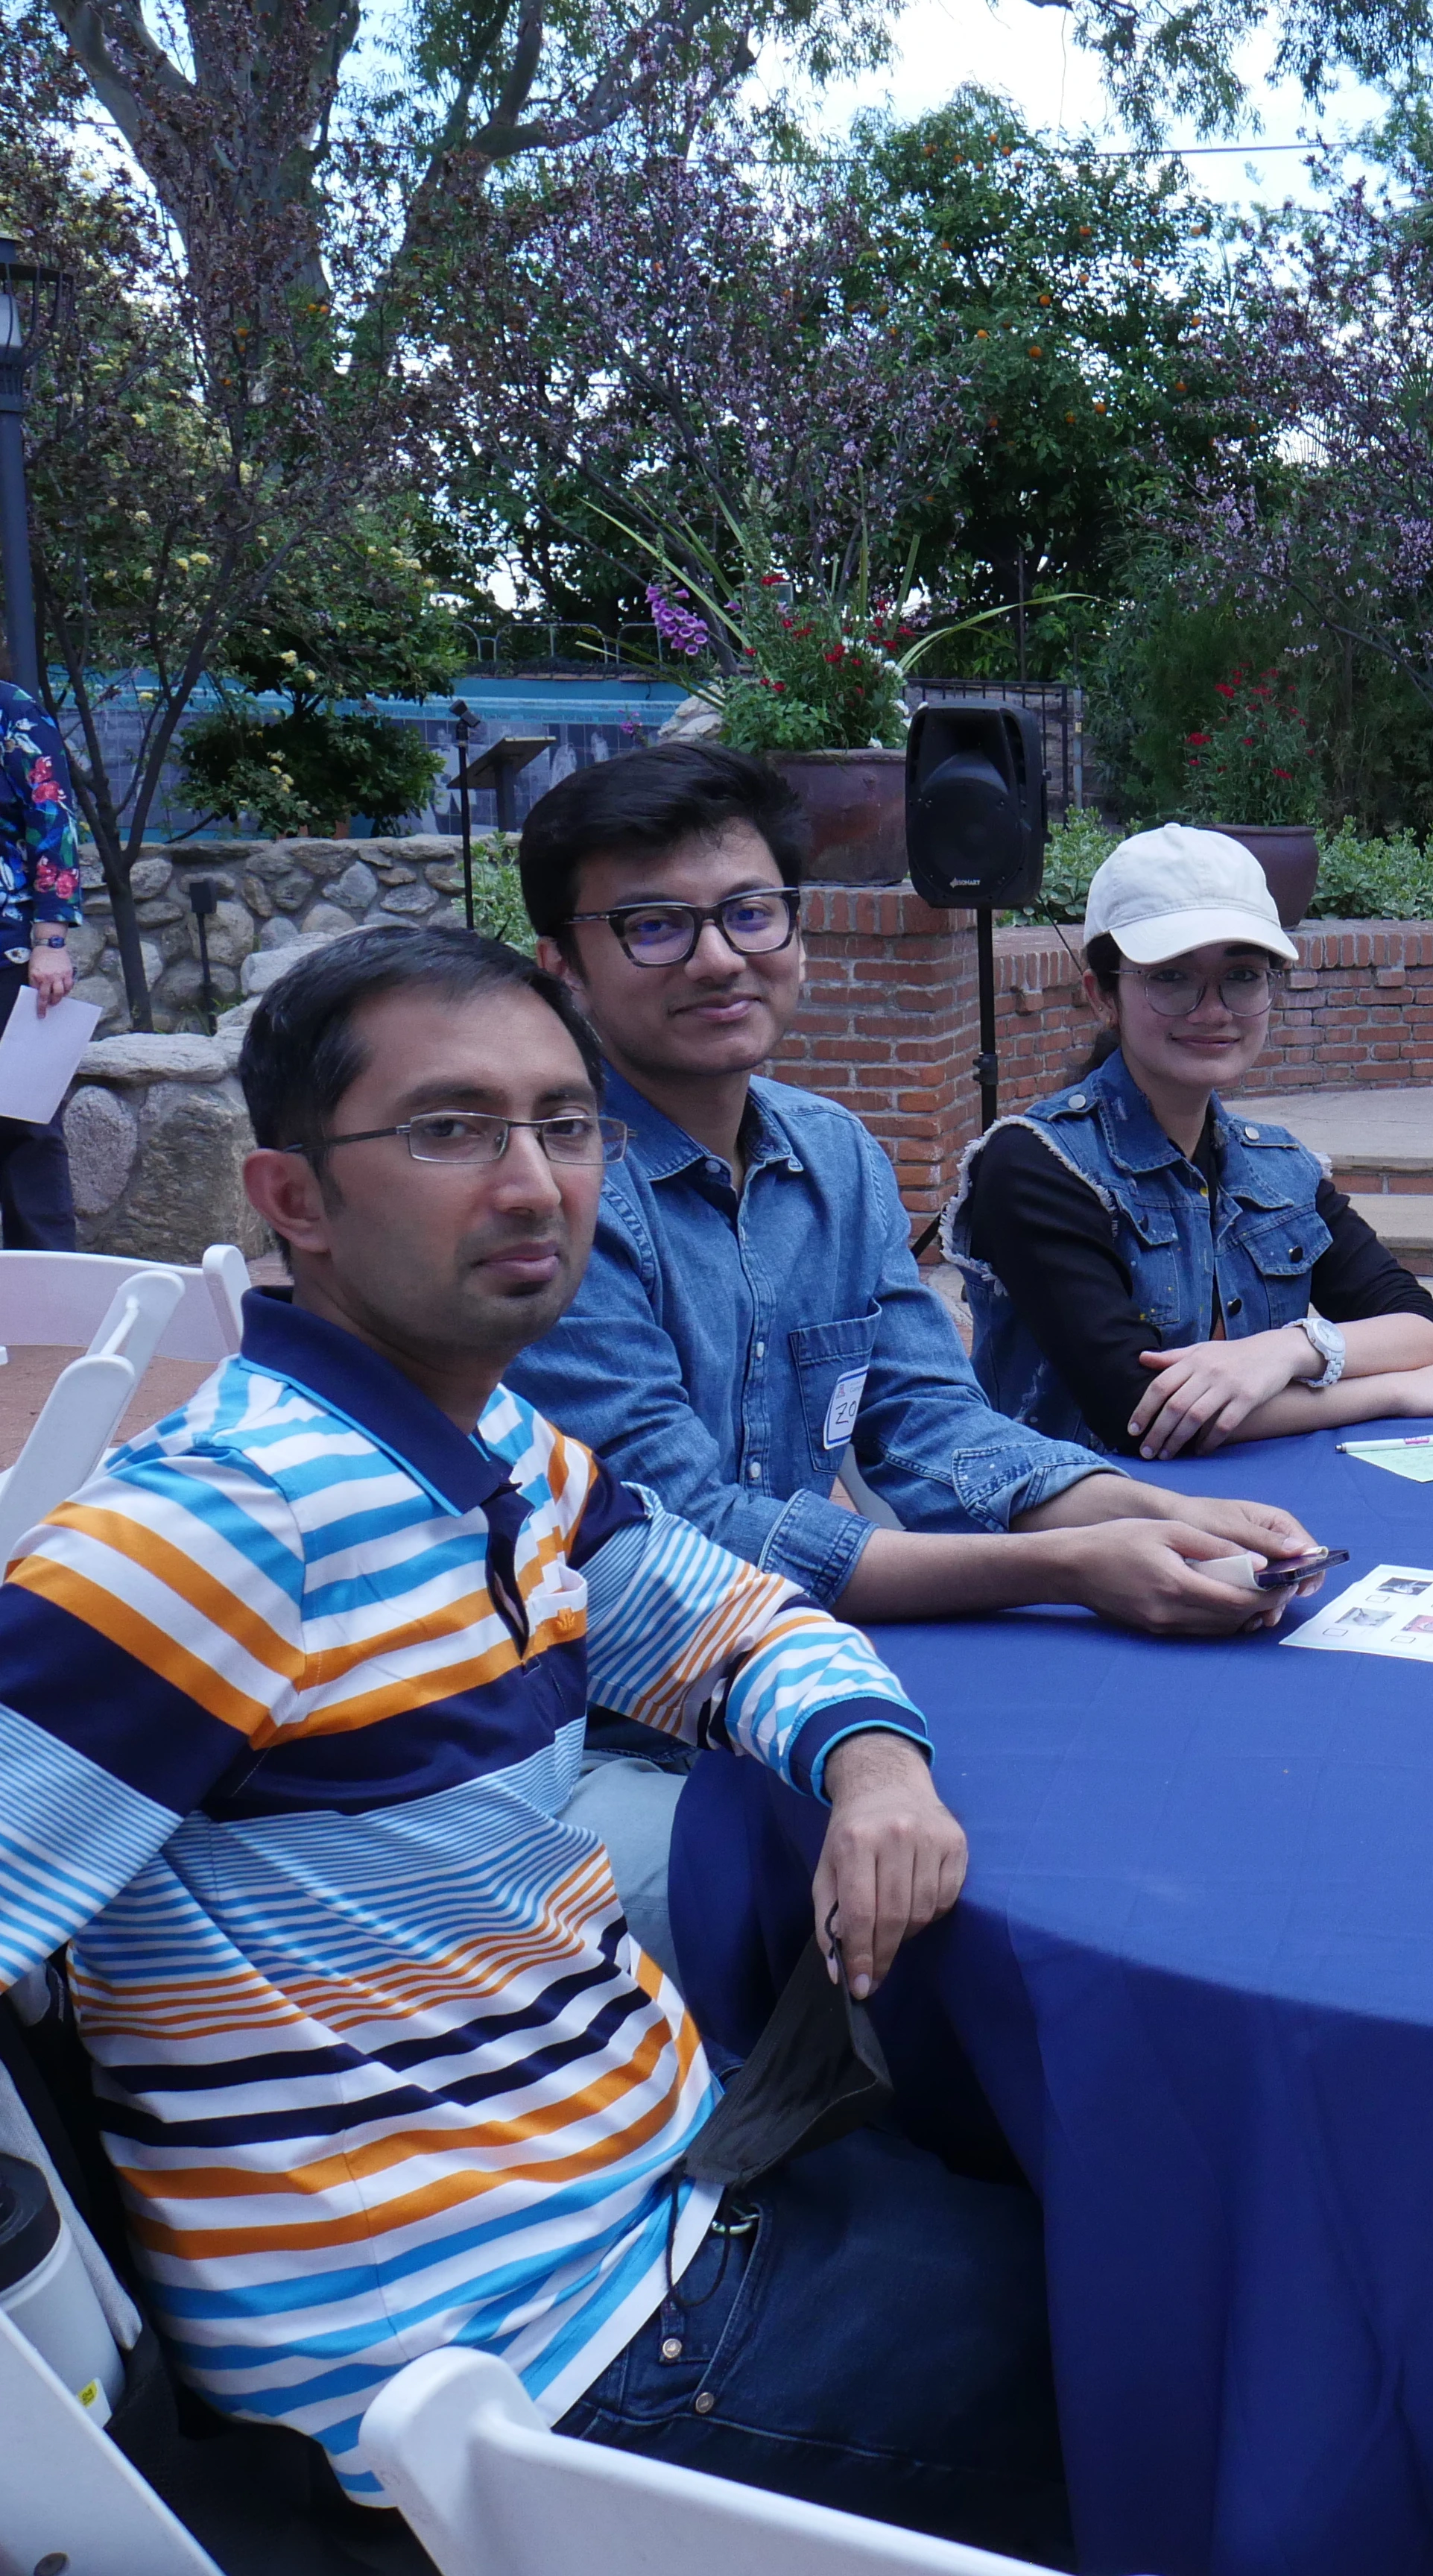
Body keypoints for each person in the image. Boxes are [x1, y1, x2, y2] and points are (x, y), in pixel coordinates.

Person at [0, 927, 1063, 2555]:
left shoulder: (489, 1446)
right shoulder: (220, 1526)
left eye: (566, 1126)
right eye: (449, 1130)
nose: (533, 1180)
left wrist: (874, 1765)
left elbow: (736, 1623)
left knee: (1099, 2225)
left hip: (657, 2193)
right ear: (293, 1202)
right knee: (1174, 2360)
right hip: (510, 2369)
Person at [499, 745, 1318, 1974]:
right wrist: (1068, 1562)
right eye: (654, 926)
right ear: (564, 965)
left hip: (804, 1665)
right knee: (991, 1896)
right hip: (604, 1727)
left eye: (749, 911)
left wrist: (1147, 1505)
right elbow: (682, 1528)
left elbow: (929, 1417)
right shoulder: (555, 1191)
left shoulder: (831, 1155)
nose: (720, 956)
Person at [948, 827, 1433, 1454]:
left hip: (1255, 1511)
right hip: (1075, 1532)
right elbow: (1141, 1414)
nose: (1213, 1009)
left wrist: (1287, 1348)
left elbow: (1423, 1331)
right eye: (1171, 976)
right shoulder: (1037, 1165)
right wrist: (1393, 1392)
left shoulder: (1277, 1165)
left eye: (1243, 974)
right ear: (1103, 995)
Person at [0, 676, 83, 1248]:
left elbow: (52, 820)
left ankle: (54, 1301)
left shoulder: (14, 711)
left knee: (27, 1124)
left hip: (10, 953)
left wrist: (50, 942)